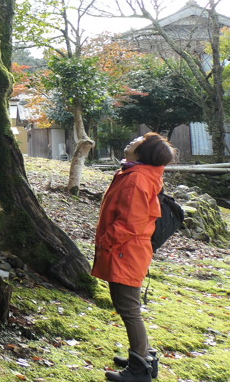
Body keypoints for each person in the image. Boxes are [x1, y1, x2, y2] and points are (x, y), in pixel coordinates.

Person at [91, 132, 178, 381]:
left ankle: (139, 370)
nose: (133, 140)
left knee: (129, 308)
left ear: (143, 153)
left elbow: (132, 222)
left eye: (138, 141)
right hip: (128, 249)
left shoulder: (137, 178)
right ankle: (144, 357)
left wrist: (106, 243)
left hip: (126, 250)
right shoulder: (137, 173)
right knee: (129, 307)